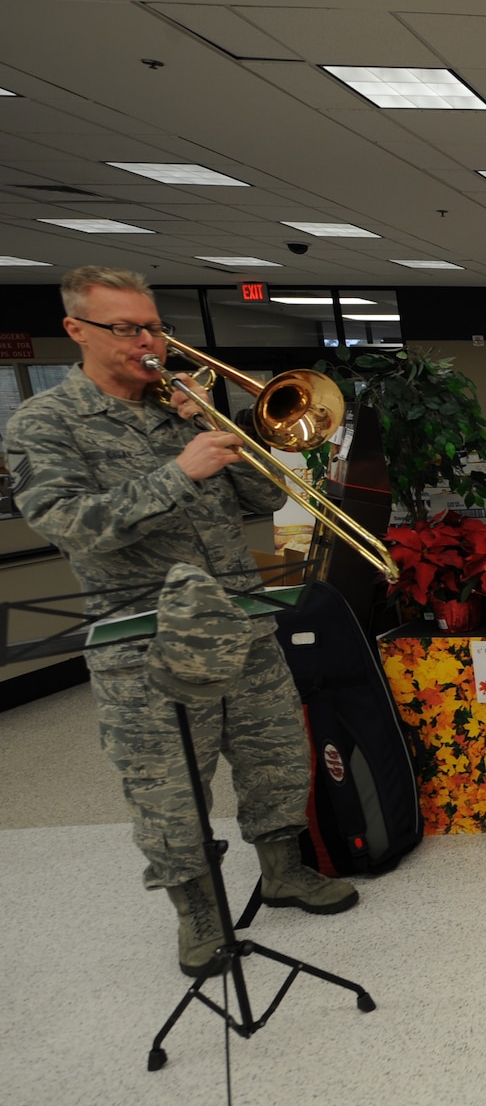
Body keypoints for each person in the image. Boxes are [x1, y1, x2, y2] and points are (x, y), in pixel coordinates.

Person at [4, 266, 357, 978]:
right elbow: (70, 524)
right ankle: (196, 912)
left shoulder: (181, 409)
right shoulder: (45, 422)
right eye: (127, 328)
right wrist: (179, 472)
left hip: (243, 622)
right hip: (147, 642)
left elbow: (265, 496)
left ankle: (283, 870)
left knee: (274, 756)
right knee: (168, 786)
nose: (148, 342)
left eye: (155, 327)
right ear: (77, 330)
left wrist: (212, 424)